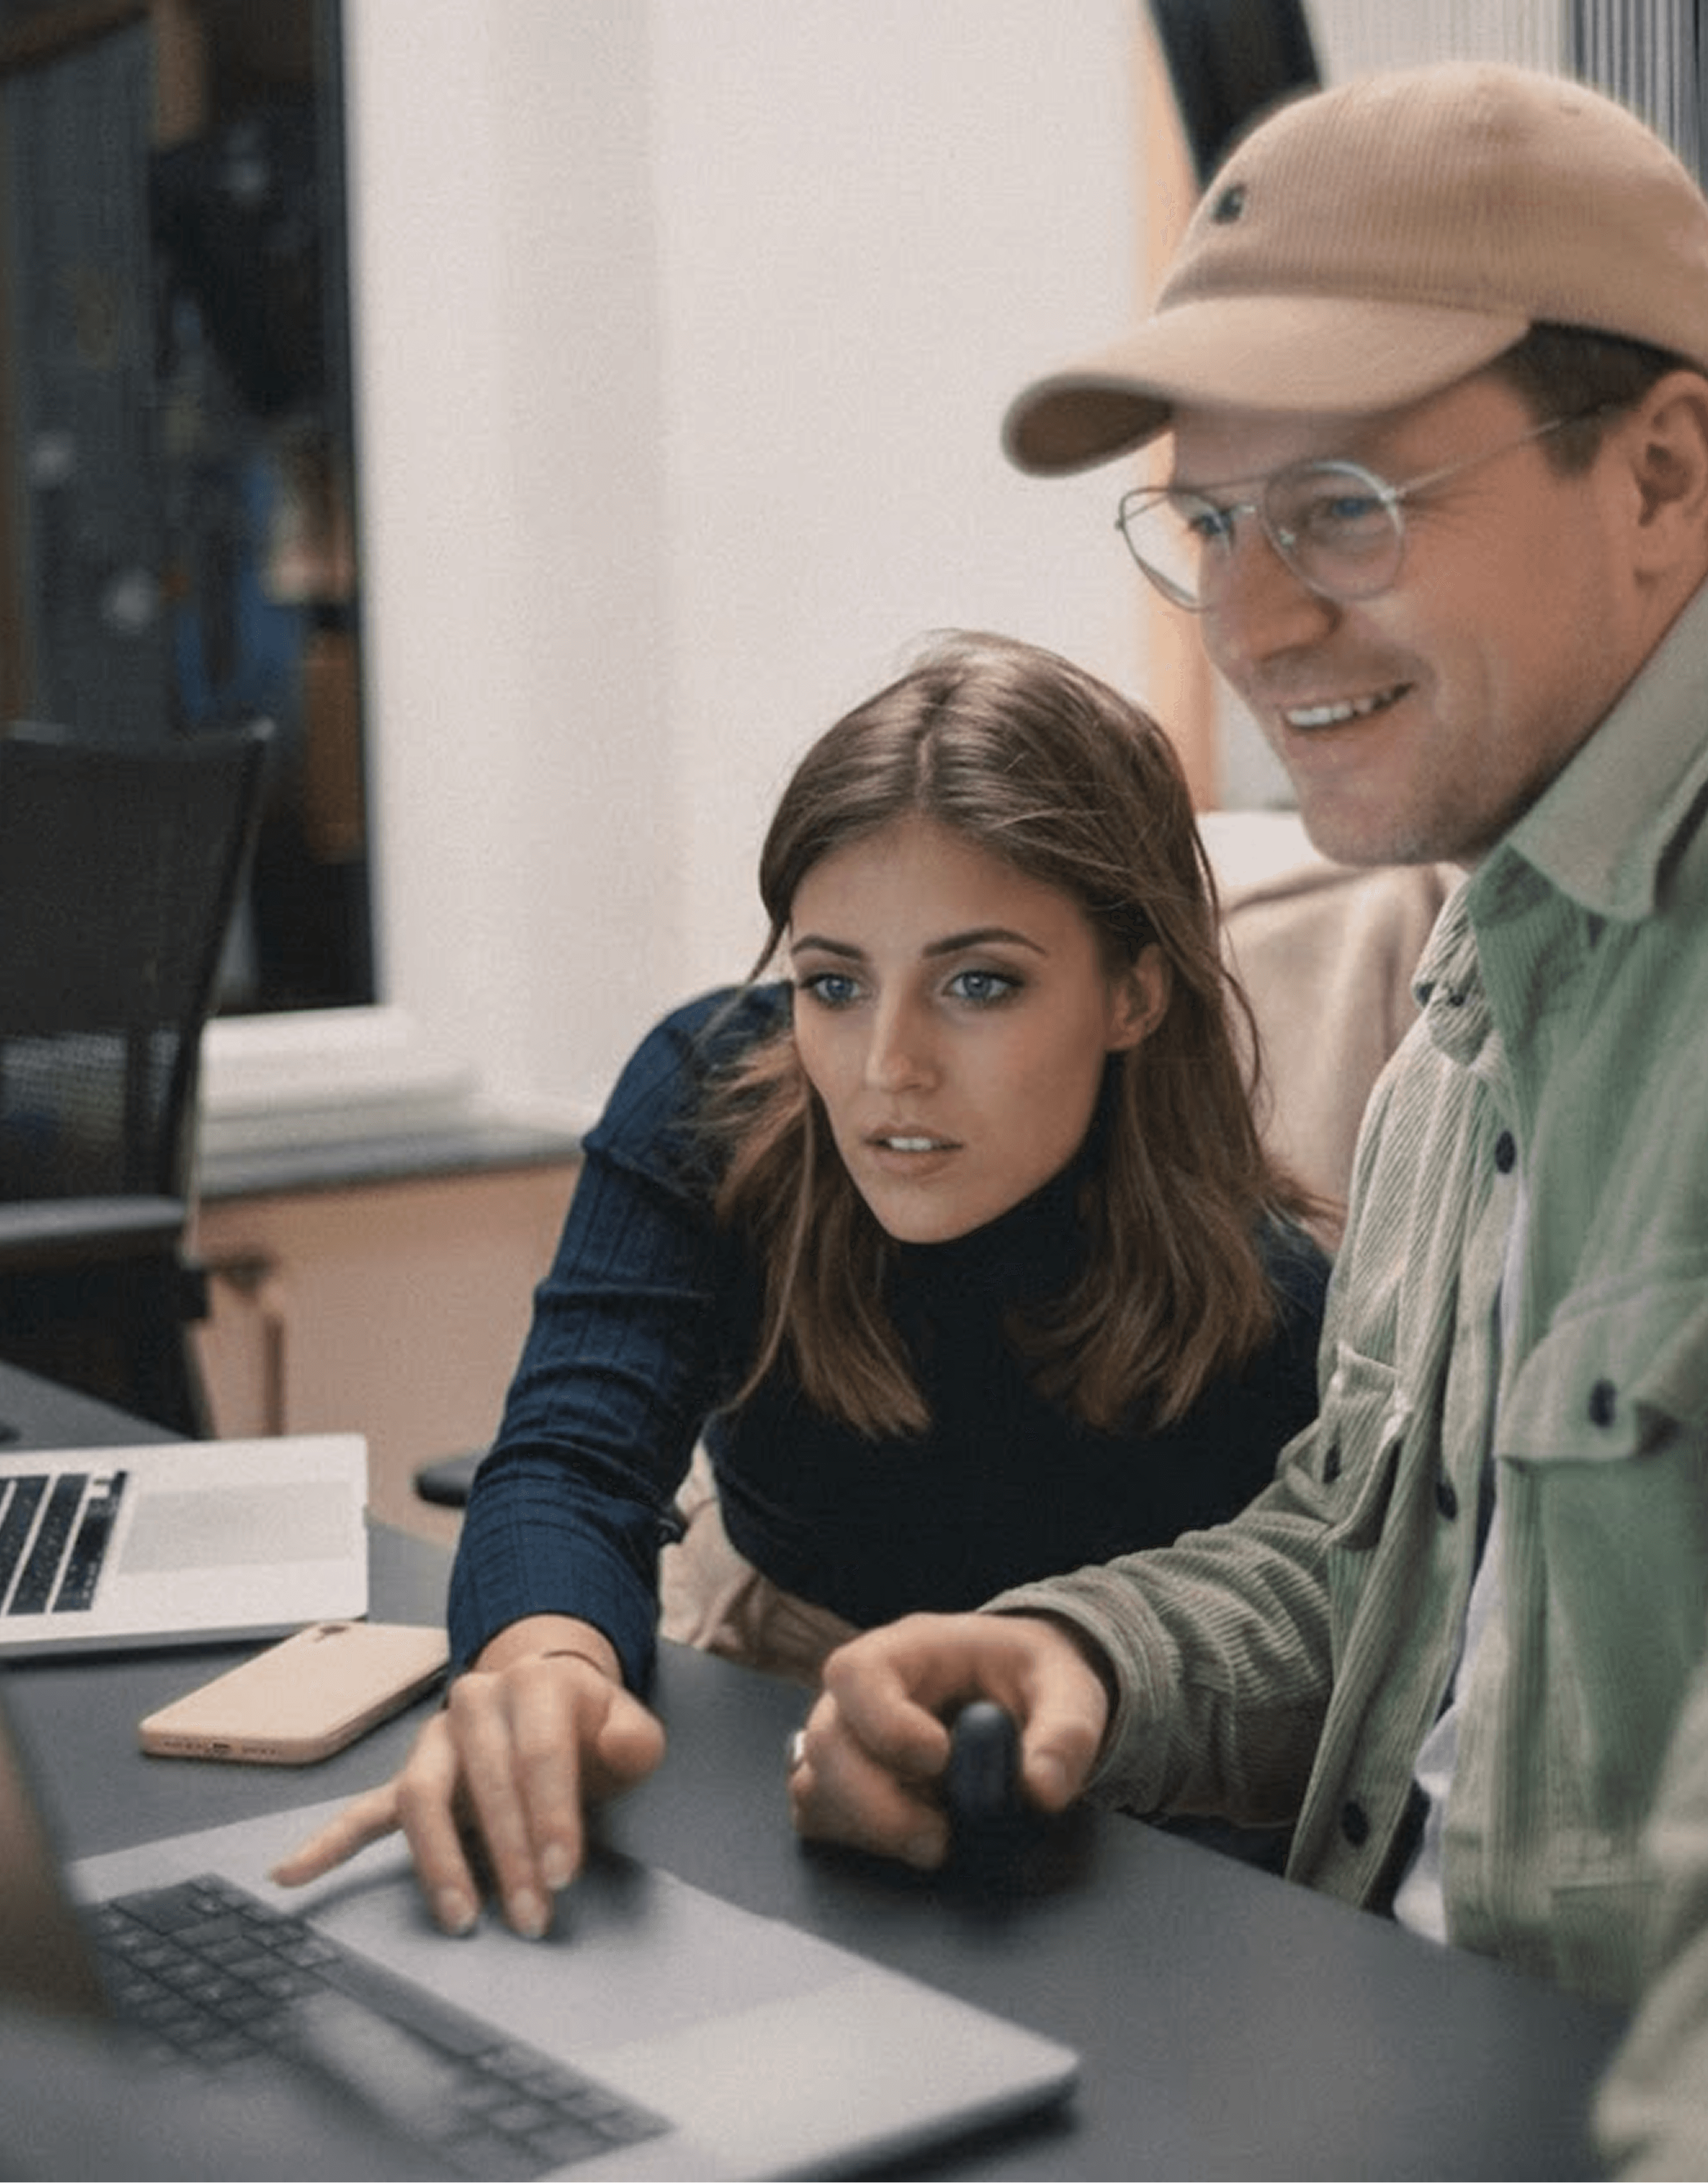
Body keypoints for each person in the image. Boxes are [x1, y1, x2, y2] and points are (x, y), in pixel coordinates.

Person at [783, 63, 1708, 2178]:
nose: (1253, 624)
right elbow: (1377, 1559)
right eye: (1214, 524)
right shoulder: (1490, 966)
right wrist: (1080, 1656)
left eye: (1347, 509)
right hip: (1378, 2039)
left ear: (1663, 475)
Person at [274, 630, 1329, 1940]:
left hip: (1094, 1795)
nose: (888, 1066)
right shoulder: (715, 1094)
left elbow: (1285, 1691)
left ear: (1135, 992)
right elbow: (570, 1458)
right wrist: (545, 1665)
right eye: (833, 982)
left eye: (979, 983)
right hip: (758, 1674)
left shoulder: (1270, 1301)